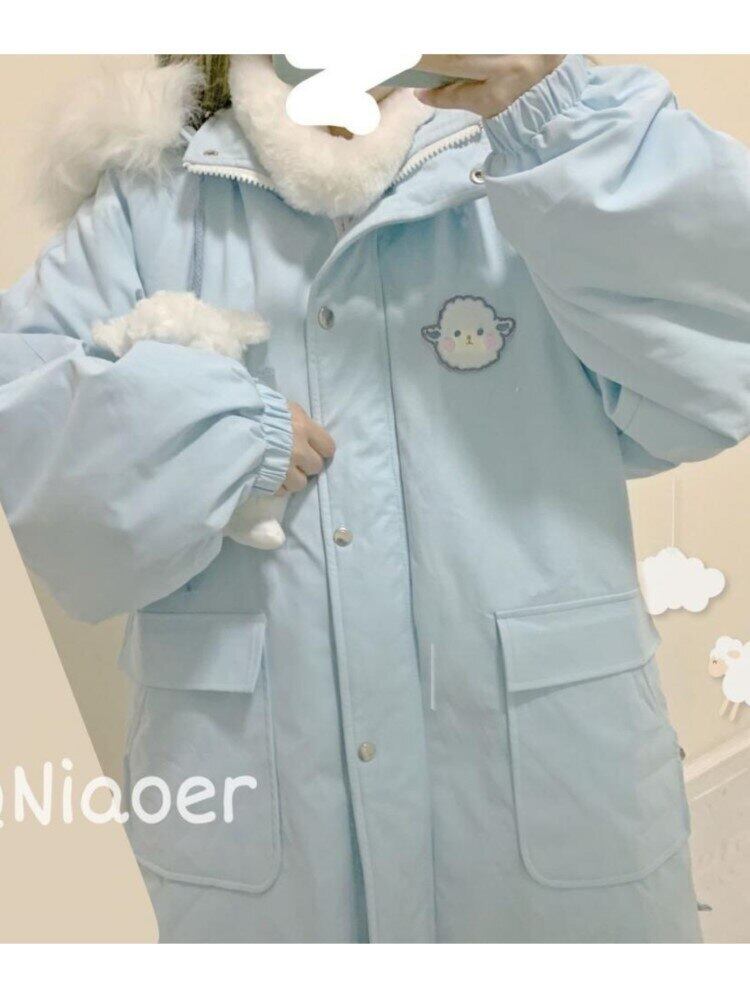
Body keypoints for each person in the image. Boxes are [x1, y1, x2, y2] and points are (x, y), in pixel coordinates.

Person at [0, 53, 748, 943]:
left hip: (552, 815)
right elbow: (33, 461)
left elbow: (715, 364)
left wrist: (549, 110)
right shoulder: (156, 197)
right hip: (263, 848)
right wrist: (214, 430)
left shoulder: (542, 152)